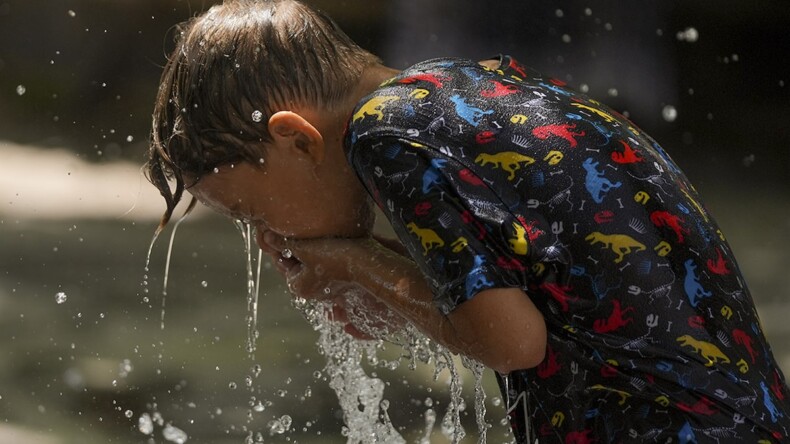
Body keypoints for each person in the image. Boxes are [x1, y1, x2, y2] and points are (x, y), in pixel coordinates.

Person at [144, 0, 790, 442]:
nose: (266, 238)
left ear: (297, 138)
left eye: (253, 212)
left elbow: (511, 341)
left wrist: (353, 260)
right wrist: (377, 276)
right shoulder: (455, 96)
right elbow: (538, 294)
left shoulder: (385, 136)